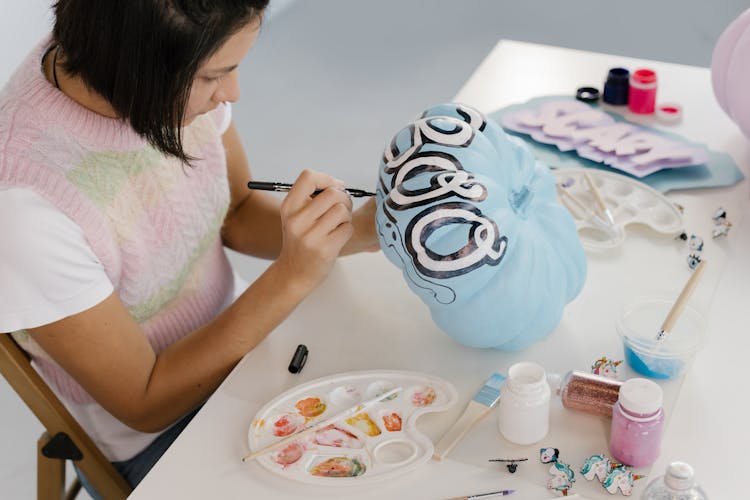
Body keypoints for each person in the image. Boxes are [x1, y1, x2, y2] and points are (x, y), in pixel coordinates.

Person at [0, 0, 378, 496]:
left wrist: (362, 227)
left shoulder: (139, 78)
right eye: (215, 76)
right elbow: (145, 400)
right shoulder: (24, 208)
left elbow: (237, 214)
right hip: (160, 436)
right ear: (137, 69)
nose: (232, 95)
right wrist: (292, 277)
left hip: (250, 351)